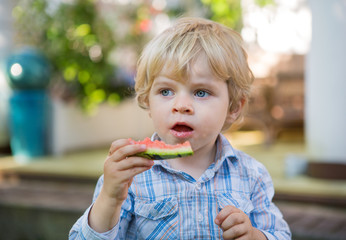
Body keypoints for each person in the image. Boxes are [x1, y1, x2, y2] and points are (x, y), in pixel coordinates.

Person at [69, 17, 291, 240]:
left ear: (233, 107)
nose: (181, 106)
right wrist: (109, 199)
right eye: (166, 91)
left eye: (201, 92)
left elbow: (280, 235)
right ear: (148, 101)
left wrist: (254, 236)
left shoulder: (252, 175)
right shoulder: (129, 176)